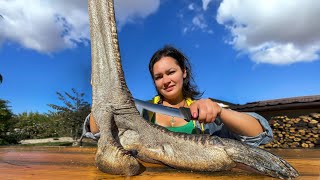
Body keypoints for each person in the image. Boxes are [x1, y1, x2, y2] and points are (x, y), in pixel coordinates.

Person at [83, 45, 273, 147]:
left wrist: (220, 112)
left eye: (171, 72)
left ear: (184, 72)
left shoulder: (205, 111)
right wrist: (100, 95)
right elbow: (98, 134)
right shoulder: (140, 112)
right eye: (158, 77)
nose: (166, 80)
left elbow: (259, 135)